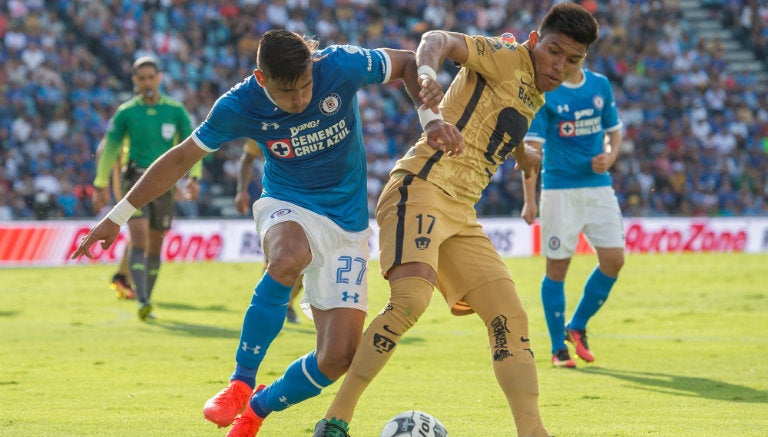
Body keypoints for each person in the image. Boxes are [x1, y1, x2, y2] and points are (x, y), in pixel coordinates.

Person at [71, 30, 436, 437]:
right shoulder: (239, 103)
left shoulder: (339, 65)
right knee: (286, 257)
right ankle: (240, 382)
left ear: (313, 68)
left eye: (305, 88)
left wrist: (430, 120)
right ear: (262, 79)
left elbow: (406, 60)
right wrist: (117, 215)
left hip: (347, 224)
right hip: (287, 202)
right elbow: (180, 159)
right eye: (287, 92)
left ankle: (257, 408)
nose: (299, 100)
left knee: (337, 358)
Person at [312, 4, 599, 437]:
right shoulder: (505, 56)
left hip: (461, 214)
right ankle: (336, 420)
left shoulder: (534, 91)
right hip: (421, 187)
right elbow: (437, 40)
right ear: (535, 41)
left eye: (572, 60)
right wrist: (427, 74)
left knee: (509, 316)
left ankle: (533, 432)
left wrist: (524, 155)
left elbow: (500, 126)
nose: (559, 66)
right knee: (410, 300)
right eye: (554, 51)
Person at [521, 66, 625, 368]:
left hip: (598, 188)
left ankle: (577, 325)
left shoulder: (600, 85)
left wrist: (611, 156)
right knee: (557, 268)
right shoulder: (546, 92)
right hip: (559, 190)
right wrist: (530, 200)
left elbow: (614, 130)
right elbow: (532, 151)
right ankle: (558, 349)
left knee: (614, 259)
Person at [90, 56, 201, 320]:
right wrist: (99, 184)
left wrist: (193, 178)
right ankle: (143, 300)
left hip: (165, 185)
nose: (147, 82)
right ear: (135, 81)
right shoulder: (126, 112)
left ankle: (145, 294)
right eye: (142, 78)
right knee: (138, 239)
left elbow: (195, 146)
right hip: (134, 181)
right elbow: (109, 149)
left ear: (159, 78)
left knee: (154, 246)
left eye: (151, 77)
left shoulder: (175, 111)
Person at [236, 138, 303, 324]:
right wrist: (241, 190)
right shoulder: (266, 122)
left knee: (307, 264)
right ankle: (264, 308)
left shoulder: (314, 120)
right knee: (275, 259)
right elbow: (247, 158)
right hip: (277, 200)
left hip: (310, 201)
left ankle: (288, 304)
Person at [93, 137, 136, 300]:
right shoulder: (124, 124)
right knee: (140, 233)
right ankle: (124, 278)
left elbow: (100, 151)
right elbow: (102, 150)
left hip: (132, 184)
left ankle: (125, 278)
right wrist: (103, 183)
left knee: (139, 235)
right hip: (129, 186)